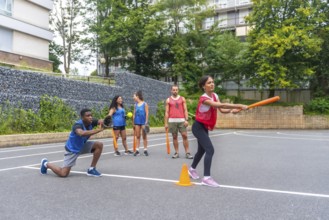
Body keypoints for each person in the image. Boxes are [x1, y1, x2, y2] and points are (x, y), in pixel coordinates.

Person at [188, 76, 248, 187]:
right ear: (203, 86)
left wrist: (232, 111)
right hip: (198, 127)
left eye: (213, 82)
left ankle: (191, 169)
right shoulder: (204, 99)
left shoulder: (215, 95)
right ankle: (206, 178)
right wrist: (239, 105)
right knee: (210, 149)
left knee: (202, 151)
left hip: (204, 127)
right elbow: (221, 105)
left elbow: (222, 109)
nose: (212, 84)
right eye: (209, 83)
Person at [40, 108, 104, 177]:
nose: (90, 117)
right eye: (88, 116)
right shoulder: (77, 125)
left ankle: (91, 169)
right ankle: (46, 164)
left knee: (99, 145)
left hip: (82, 145)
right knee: (63, 174)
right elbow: (81, 133)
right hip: (72, 149)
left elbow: (100, 121)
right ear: (82, 117)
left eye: (91, 115)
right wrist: (99, 130)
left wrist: (105, 122)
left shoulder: (91, 121)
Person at [164, 85, 193, 159]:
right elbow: (166, 112)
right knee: (174, 137)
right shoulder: (168, 100)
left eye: (176, 90)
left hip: (181, 120)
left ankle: (187, 152)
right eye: (173, 90)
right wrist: (166, 123)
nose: (175, 91)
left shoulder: (182, 99)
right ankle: (176, 152)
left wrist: (186, 120)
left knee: (184, 135)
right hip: (172, 121)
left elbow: (185, 110)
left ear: (178, 90)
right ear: (171, 91)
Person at [133, 90, 149, 156]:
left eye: (134, 96)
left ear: (137, 96)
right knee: (138, 136)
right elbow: (134, 114)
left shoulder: (145, 104)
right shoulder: (135, 105)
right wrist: (133, 122)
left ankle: (145, 150)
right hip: (137, 122)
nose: (133, 97)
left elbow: (147, 113)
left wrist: (146, 122)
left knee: (144, 136)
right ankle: (137, 150)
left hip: (143, 122)